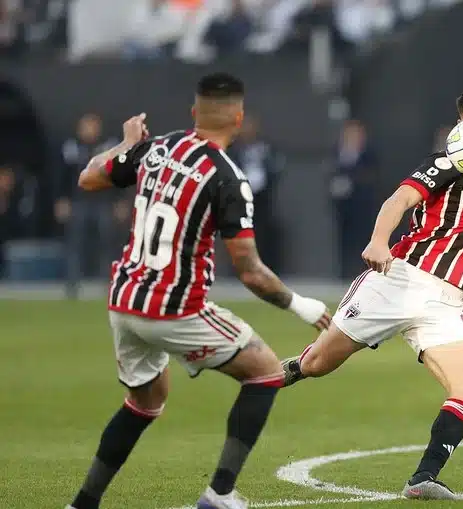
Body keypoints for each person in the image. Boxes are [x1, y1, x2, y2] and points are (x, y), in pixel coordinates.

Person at [66, 73, 331, 509]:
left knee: (146, 401)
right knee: (265, 372)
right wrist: (301, 305)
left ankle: (82, 504)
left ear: (194, 112)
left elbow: (88, 178)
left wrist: (126, 143)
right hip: (174, 308)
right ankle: (219, 494)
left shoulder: (156, 148)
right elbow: (250, 271)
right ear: (239, 119)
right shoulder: (228, 178)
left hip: (125, 300)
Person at [280, 84, 463, 501]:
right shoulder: (447, 163)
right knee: (318, 363)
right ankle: (289, 368)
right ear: (460, 127)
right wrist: (378, 240)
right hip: (402, 281)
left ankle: (423, 478)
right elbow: (400, 198)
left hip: (446, 303)